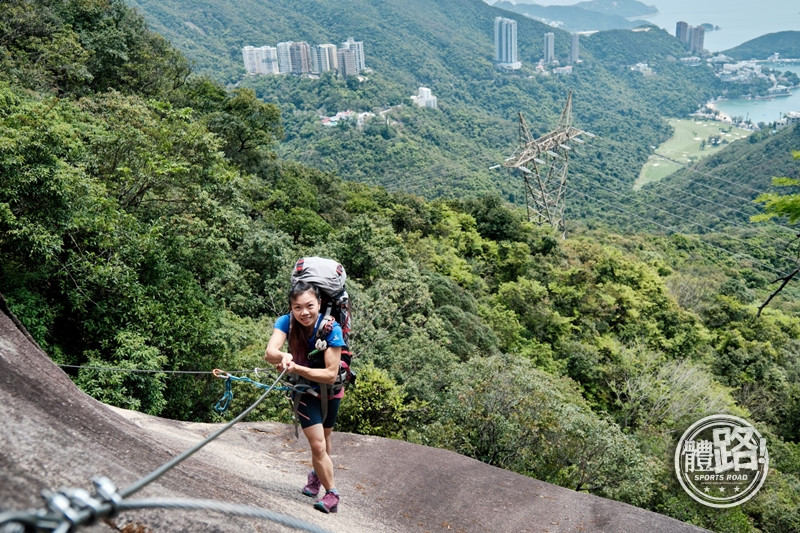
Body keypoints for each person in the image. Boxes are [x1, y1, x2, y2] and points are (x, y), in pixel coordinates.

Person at [264, 280, 346, 514]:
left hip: (330, 390)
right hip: (304, 391)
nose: (304, 312)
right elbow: (270, 353)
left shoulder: (331, 328)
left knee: (326, 438)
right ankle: (332, 494)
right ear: (291, 308)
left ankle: (316, 476)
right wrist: (284, 355)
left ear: (319, 303)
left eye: (309, 306)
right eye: (297, 307)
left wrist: (296, 367)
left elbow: (330, 375)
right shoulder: (286, 322)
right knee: (318, 443)